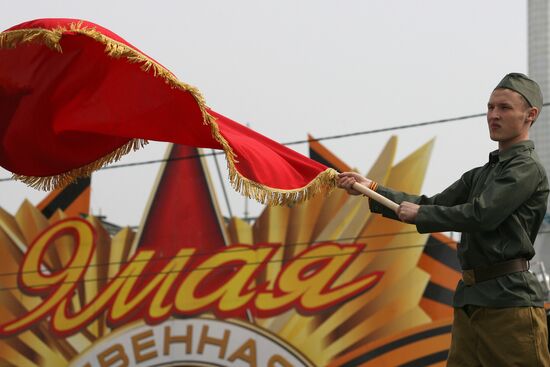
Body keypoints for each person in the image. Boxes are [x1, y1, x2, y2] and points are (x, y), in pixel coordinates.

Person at [338, 73, 550, 366]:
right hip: (471, 300)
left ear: (530, 115)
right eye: (489, 107)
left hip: (509, 301)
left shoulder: (526, 168)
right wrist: (371, 190)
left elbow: (482, 214)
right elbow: (432, 204)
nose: (493, 115)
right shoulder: (481, 174)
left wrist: (423, 215)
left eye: (504, 108)